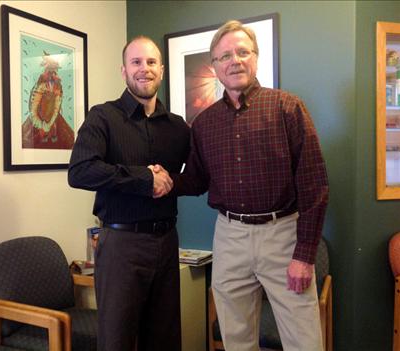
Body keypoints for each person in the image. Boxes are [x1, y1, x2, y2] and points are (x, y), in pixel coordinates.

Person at [153, 20, 329, 350]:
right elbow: (196, 180)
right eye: (225, 56)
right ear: (215, 67)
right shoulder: (204, 124)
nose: (235, 60)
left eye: (243, 52)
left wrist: (305, 255)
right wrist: (165, 181)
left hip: (282, 236)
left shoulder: (287, 108)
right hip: (229, 237)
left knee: (303, 340)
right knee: (236, 339)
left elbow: (315, 186)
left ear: (255, 58)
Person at [68, 36, 189, 351]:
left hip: (167, 241)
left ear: (161, 71)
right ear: (123, 70)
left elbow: (195, 176)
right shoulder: (103, 117)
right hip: (121, 245)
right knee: (117, 340)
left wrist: (171, 181)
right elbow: (80, 171)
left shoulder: (178, 127)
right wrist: (143, 179)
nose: (144, 69)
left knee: (164, 339)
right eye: (136, 62)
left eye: (151, 63)